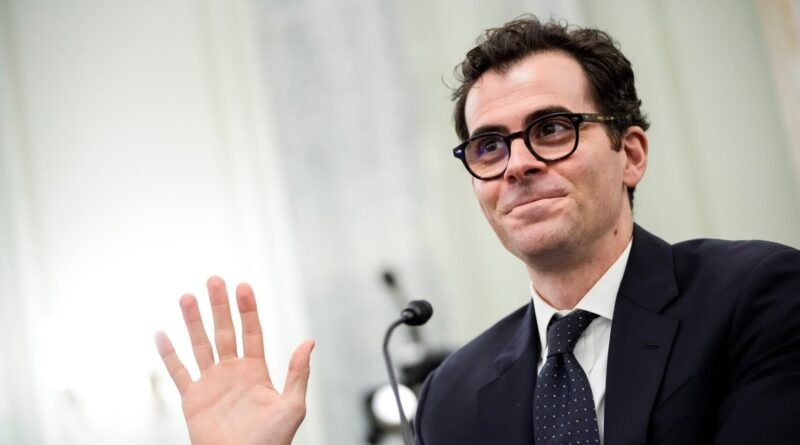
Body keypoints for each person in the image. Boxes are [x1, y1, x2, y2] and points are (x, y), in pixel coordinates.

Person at [155, 15, 800, 445]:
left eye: (551, 129)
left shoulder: (756, 296)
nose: (517, 164)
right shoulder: (450, 397)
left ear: (629, 153)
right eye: (489, 146)